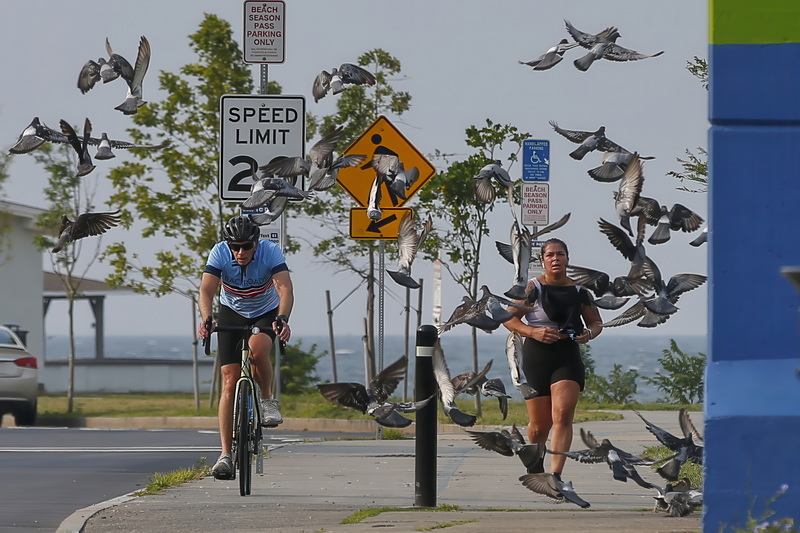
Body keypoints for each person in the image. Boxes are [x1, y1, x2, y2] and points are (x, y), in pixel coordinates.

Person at [197, 215, 294, 480]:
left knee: (257, 351)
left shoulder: (270, 251)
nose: (240, 252)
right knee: (229, 381)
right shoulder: (219, 252)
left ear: (256, 243)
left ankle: (267, 399)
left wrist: (282, 318)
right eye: (235, 246)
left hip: (264, 311)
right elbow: (206, 290)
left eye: (246, 246)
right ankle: (225, 455)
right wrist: (207, 317)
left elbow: (285, 289)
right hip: (231, 311)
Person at [502, 237, 603, 479]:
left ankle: (555, 476)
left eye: (560, 254)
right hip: (537, 357)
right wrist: (532, 331)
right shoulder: (532, 288)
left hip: (567, 356)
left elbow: (596, 322)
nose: (556, 259)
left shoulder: (580, 291)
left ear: (568, 259)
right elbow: (507, 318)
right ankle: (535, 457)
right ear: (543, 260)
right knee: (539, 426)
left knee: (563, 414)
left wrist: (589, 333)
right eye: (550, 255)